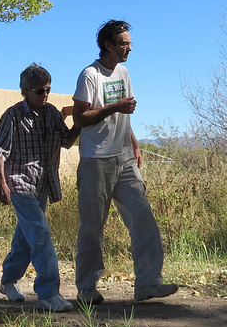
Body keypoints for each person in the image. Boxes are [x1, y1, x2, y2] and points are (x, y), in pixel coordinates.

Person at [72, 20, 178, 305]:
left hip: (124, 158)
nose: (129, 48)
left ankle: (147, 283)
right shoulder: (90, 75)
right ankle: (86, 288)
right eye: (123, 43)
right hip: (96, 161)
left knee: (142, 216)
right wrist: (114, 108)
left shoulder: (125, 72)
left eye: (130, 43)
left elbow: (124, 115)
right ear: (108, 45)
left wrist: (133, 141)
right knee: (93, 227)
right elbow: (80, 119)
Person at [0, 64, 80, 312]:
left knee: (25, 240)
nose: (45, 95)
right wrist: (2, 184)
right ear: (26, 90)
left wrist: (81, 121)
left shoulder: (51, 113)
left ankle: (7, 282)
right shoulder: (13, 115)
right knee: (40, 234)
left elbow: (67, 142)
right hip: (19, 182)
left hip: (43, 184)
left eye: (48, 89)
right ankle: (48, 293)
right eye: (40, 91)